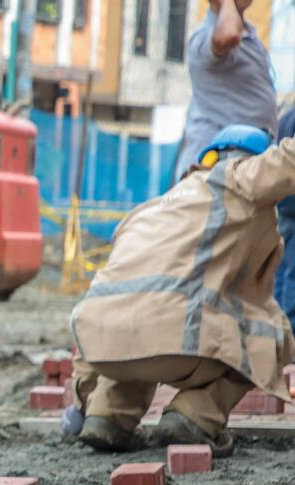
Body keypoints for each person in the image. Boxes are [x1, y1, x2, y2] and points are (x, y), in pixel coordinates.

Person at [67, 125, 295, 457]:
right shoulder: (237, 182)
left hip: (99, 346)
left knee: (137, 323)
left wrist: (82, 401)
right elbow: (288, 161)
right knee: (272, 333)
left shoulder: (152, 207)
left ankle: (107, 417)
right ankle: (193, 418)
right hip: (174, 344)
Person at [176, 0, 277, 179]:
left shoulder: (246, 33)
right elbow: (227, 35)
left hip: (243, 164)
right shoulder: (206, 36)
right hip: (214, 166)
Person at [274, 107, 295, 328]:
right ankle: (289, 329)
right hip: (292, 207)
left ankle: (278, 328)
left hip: (282, 203)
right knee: (292, 274)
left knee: (281, 271)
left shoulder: (285, 117)